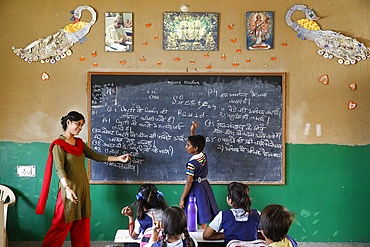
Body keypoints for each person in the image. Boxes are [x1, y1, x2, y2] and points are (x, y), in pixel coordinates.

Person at [36, 111, 131, 247]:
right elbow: (59, 169)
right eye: (77, 124)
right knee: (59, 227)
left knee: (82, 229)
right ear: (68, 122)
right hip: (68, 193)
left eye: (81, 125)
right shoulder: (59, 145)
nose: (80, 128)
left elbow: (95, 156)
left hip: (83, 191)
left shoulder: (79, 143)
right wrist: (67, 188)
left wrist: (118, 159)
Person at [179, 121, 219, 229]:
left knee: (196, 215)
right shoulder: (203, 155)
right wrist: (192, 131)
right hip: (205, 186)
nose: (186, 147)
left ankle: (200, 237)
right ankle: (203, 234)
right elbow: (195, 143)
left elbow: (189, 182)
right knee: (204, 213)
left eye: (188, 145)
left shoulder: (192, 164)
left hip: (195, 189)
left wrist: (182, 198)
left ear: (195, 148)